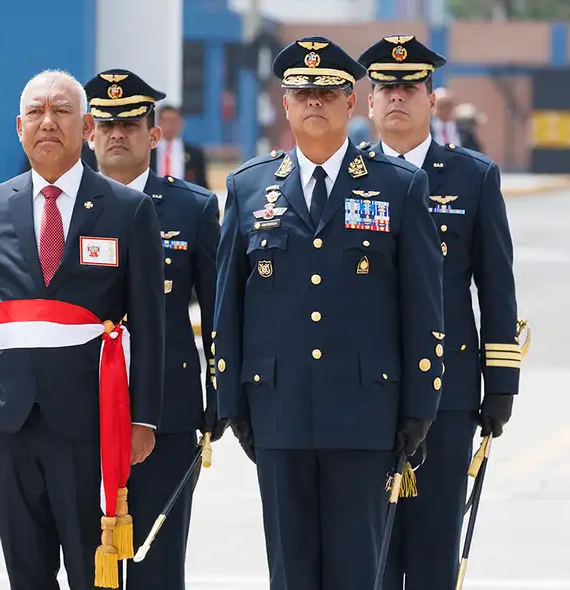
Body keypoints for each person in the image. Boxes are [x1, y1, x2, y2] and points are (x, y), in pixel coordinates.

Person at [213, 35, 445, 590]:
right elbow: (228, 307)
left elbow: (422, 305)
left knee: (355, 571)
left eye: (329, 91)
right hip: (278, 413)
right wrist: (232, 403)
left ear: (350, 102)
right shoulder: (248, 188)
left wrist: (418, 407)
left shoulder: (399, 187)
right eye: (301, 91)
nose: (314, 100)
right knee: (289, 574)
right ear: (285, 105)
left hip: (365, 414)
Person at [0, 69, 165, 590]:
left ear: (87, 127)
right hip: (8, 417)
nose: (48, 123)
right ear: (18, 127)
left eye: (62, 112)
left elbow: (151, 323)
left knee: (91, 567)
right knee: (26, 569)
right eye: (36, 113)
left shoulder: (128, 209)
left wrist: (145, 418)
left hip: (89, 417)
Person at [358, 35, 520, 590]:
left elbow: (496, 286)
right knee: (373, 550)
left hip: (448, 392)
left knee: (434, 549)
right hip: (367, 389)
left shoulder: (472, 177)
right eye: (385, 88)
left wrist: (500, 383)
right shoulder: (348, 179)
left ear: (432, 100)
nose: (397, 97)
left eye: (410, 87)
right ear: (370, 103)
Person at [84, 68, 227, 589]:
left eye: (131, 123)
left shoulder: (193, 207)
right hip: (80, 408)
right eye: (106, 123)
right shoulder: (60, 206)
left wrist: (221, 389)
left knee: (157, 560)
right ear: (89, 134)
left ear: (154, 134)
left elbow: (217, 308)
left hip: (166, 410)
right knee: (88, 557)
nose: (118, 132)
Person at [152, 106, 209, 188]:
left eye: (173, 121)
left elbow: (202, 184)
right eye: (165, 121)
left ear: (181, 123)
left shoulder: (194, 153)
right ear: (158, 123)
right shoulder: (148, 151)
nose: (169, 126)